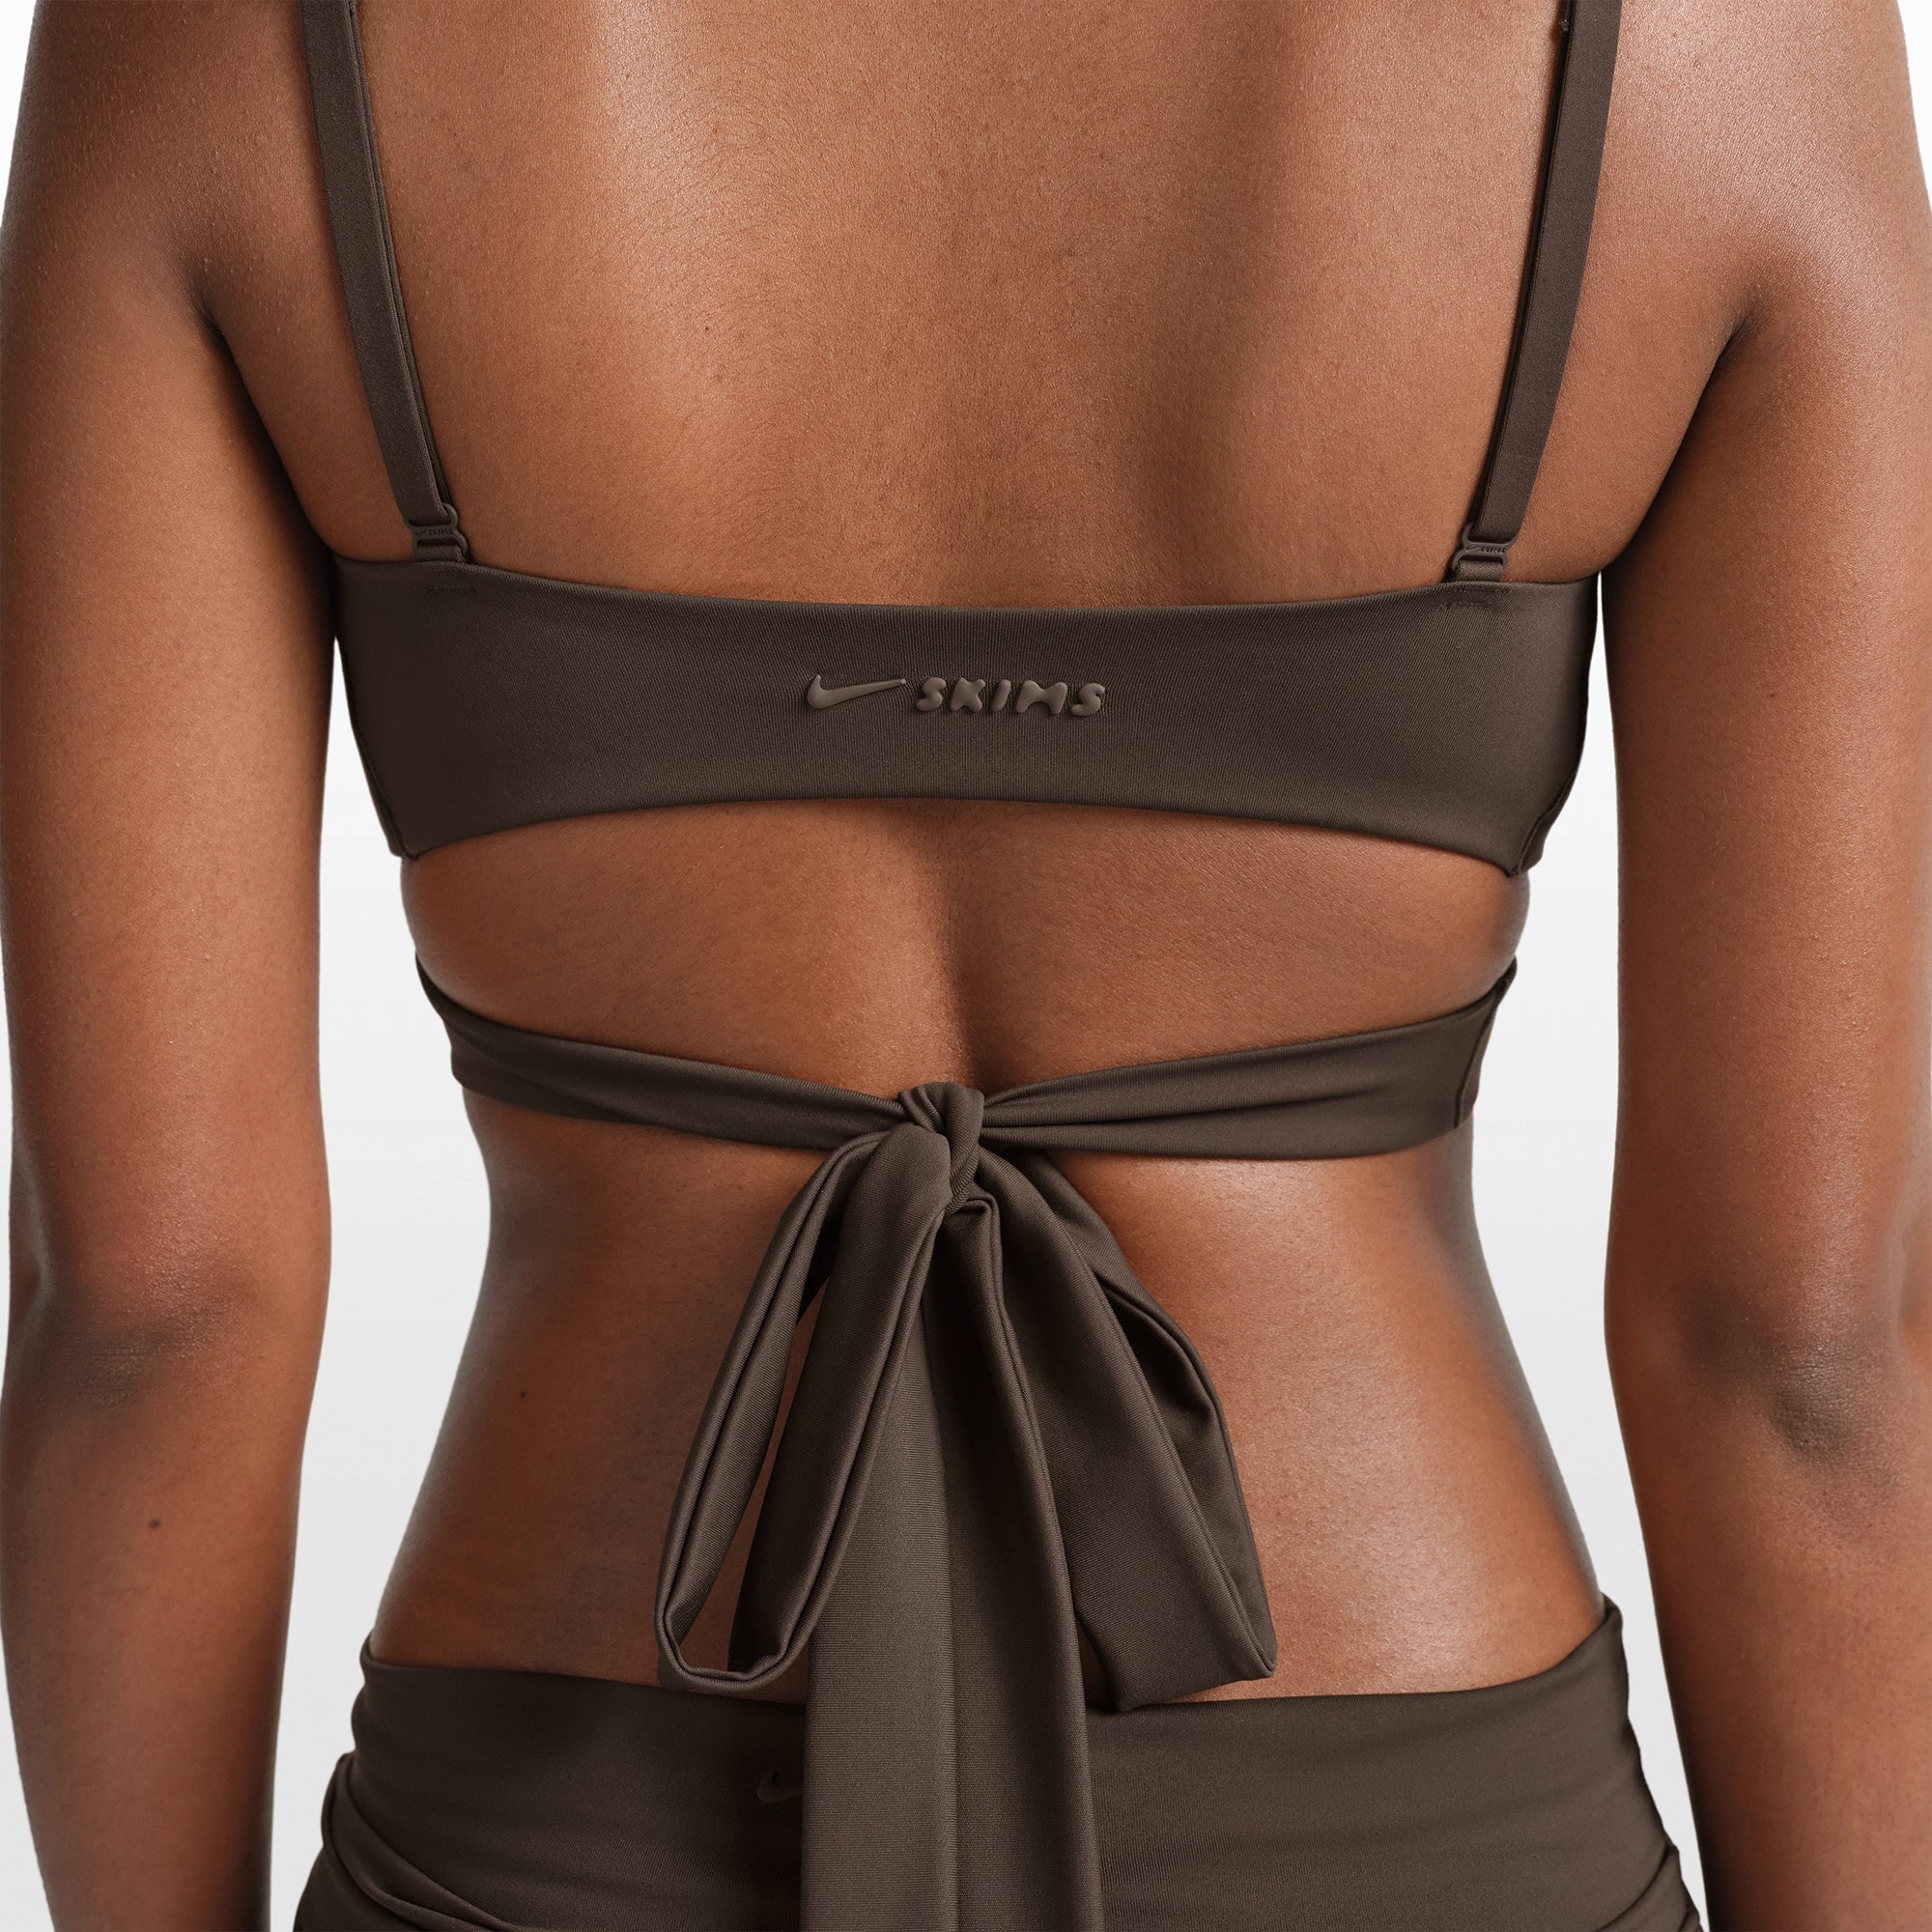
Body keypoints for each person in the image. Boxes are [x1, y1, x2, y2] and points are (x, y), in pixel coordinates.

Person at [3, 0, 1929, 1925]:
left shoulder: (218, 38)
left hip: (557, 1824)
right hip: (1416, 1829)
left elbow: (150, 1310)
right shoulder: (1712, 44)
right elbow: (1798, 1356)